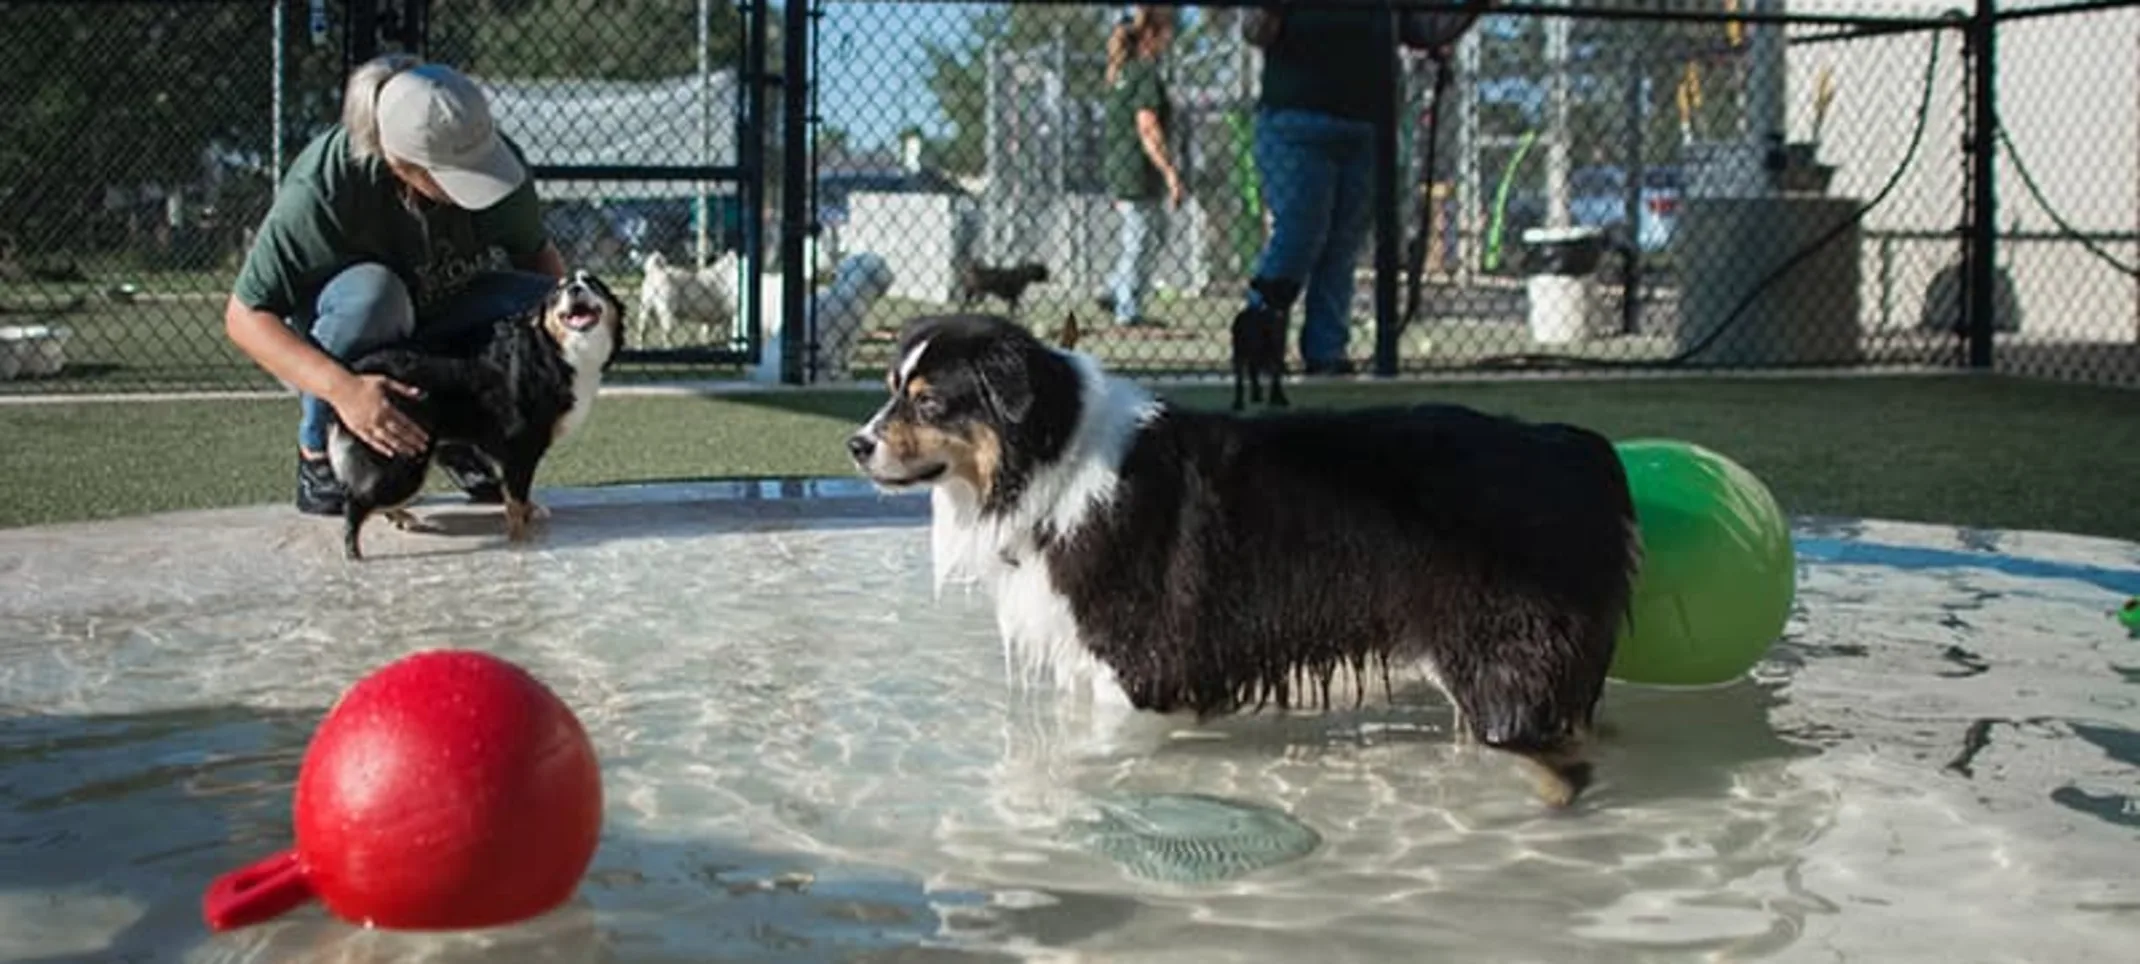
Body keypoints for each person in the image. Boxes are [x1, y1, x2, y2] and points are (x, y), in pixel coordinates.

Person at [223, 54, 568, 516]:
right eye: (453, 172)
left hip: (439, 309)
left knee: (547, 307)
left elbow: (538, 261)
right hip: (351, 327)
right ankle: (317, 454)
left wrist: (555, 361)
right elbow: (244, 316)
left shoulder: (494, 160)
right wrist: (343, 389)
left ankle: (456, 434)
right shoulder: (324, 185)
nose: (477, 182)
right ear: (397, 163)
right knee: (377, 296)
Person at [1236, 2, 1491, 374]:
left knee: (1343, 243)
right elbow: (1255, 30)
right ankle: (1260, 339)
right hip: (1296, 115)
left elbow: (1421, 29)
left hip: (1368, 122)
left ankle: (1327, 352)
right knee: (1299, 233)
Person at [1100, 6, 1183, 328]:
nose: (1170, 39)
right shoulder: (1145, 73)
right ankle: (1127, 309)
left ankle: (1115, 290)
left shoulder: (1122, 72)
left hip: (1120, 165)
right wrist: (1171, 172)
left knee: (1151, 231)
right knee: (1141, 236)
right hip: (1137, 168)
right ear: (1152, 34)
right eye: (1167, 32)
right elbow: (1147, 126)